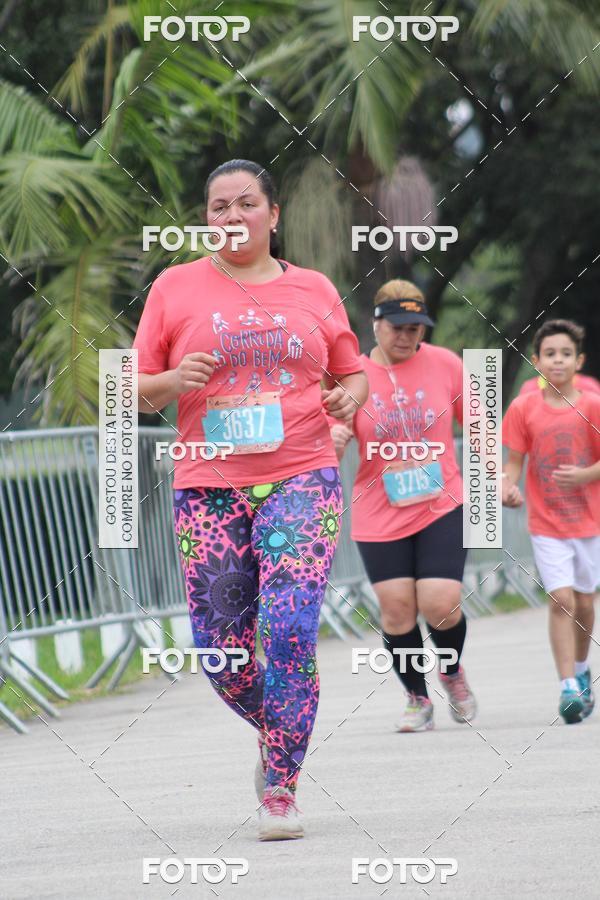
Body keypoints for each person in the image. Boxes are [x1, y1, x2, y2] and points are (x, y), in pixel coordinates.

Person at [133, 159, 368, 839]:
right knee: (223, 656)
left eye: (245, 203)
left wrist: (346, 403)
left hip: (302, 475)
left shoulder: (314, 289)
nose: (232, 216)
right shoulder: (174, 288)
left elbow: (353, 375)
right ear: (205, 218)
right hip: (209, 489)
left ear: (273, 214)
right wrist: (174, 379)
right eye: (218, 207)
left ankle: (281, 791)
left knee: (289, 630)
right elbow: (129, 390)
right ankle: (280, 733)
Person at [331, 279, 476, 732]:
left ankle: (451, 671)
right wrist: (334, 439)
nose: (406, 336)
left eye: (415, 328)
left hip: (442, 502)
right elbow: (327, 436)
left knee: (440, 602)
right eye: (397, 327)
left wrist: (499, 477)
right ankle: (417, 697)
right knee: (396, 608)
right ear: (375, 324)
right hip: (378, 508)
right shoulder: (352, 374)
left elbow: (479, 426)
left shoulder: (446, 364)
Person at [502, 319, 600, 724]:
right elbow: (513, 463)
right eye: (549, 354)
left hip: (589, 524)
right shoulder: (523, 408)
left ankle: (581, 668)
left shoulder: (592, 406)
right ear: (536, 361)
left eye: (565, 354)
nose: (557, 361)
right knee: (561, 599)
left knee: (585, 603)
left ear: (579, 361)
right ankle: (567, 687)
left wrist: (585, 475)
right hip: (546, 524)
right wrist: (507, 486)